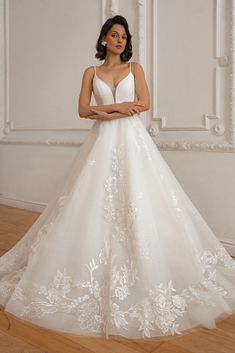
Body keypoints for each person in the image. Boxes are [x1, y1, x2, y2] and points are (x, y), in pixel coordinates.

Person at [0, 14, 235, 341]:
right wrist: (117, 108)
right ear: (103, 40)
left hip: (131, 141)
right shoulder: (91, 72)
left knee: (141, 199)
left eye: (124, 36)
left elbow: (144, 103)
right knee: (91, 202)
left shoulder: (134, 68)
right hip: (101, 142)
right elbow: (83, 110)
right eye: (114, 35)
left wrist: (110, 109)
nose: (120, 40)